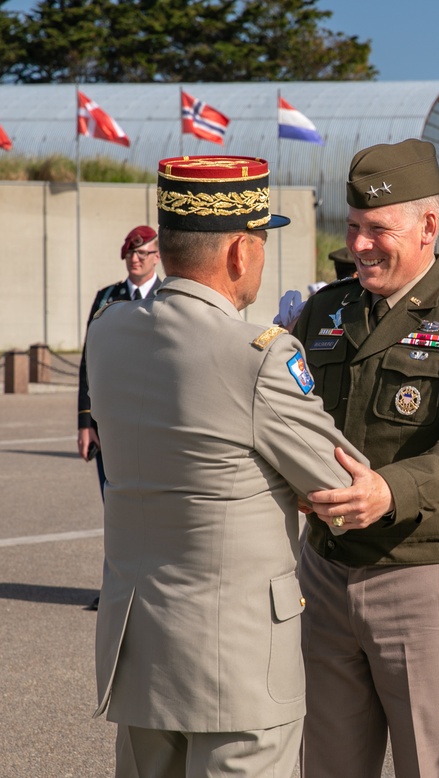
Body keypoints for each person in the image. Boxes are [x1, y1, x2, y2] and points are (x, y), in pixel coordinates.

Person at [85, 155, 365, 778]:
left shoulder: (107, 332)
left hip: (140, 652)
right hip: (236, 666)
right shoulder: (259, 356)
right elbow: (345, 486)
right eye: (263, 242)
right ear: (241, 252)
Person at [291, 138, 439, 778]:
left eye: (377, 230)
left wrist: (388, 491)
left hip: (420, 580)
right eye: (353, 228)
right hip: (325, 575)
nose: (360, 245)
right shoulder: (325, 309)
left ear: (428, 227)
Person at [77, 225, 161, 500]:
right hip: (111, 421)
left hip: (156, 421)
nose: (135, 260)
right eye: (130, 254)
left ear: (157, 256)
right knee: (114, 500)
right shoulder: (106, 298)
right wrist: (85, 422)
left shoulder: (168, 297)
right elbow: (90, 361)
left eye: (141, 254)